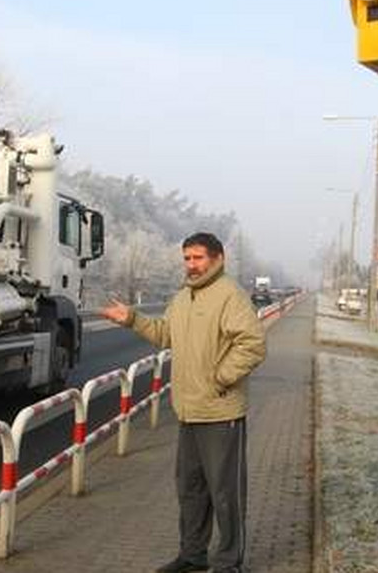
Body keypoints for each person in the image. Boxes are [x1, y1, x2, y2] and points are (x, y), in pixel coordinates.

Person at [101, 232, 266, 573]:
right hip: (188, 412)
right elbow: (165, 335)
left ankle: (228, 563)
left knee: (225, 495)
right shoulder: (183, 298)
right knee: (190, 491)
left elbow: (252, 345)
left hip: (221, 412)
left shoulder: (230, 296)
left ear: (218, 259)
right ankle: (192, 557)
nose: (192, 265)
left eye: (198, 258)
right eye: (187, 259)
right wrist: (132, 319)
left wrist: (219, 379)